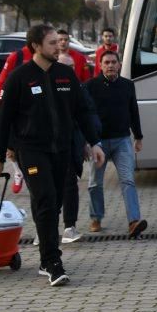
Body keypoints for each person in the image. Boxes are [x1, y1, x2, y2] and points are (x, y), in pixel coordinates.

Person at [0, 24, 105, 286]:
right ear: (36, 47)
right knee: (46, 200)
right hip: (31, 150)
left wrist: (94, 142)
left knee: (54, 203)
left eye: (58, 42)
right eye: (52, 43)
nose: (59, 46)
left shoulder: (65, 74)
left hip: (61, 150)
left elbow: (83, 111)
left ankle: (45, 258)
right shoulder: (19, 78)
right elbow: (3, 120)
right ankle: (53, 262)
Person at [85, 50, 147, 238]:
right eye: (106, 62)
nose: (110, 65)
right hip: (99, 142)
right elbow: (85, 115)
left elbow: (133, 110)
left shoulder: (128, 85)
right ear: (100, 65)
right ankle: (96, 217)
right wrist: (87, 141)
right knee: (95, 183)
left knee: (128, 180)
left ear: (119, 65)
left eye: (113, 62)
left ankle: (134, 221)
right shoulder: (90, 86)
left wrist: (138, 136)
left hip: (122, 141)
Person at [56, 29, 97, 243]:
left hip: (71, 146)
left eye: (73, 68)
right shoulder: (45, 88)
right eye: (66, 68)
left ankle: (69, 227)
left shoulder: (79, 90)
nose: (71, 71)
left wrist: (90, 143)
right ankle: (44, 228)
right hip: (48, 148)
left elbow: (87, 116)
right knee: (49, 190)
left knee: (70, 185)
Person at [0, 42, 33, 194]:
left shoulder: (46, 59)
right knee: (10, 148)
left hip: (32, 113)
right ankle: (18, 172)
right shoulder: (17, 57)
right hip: (13, 111)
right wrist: (2, 105)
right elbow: (0, 84)